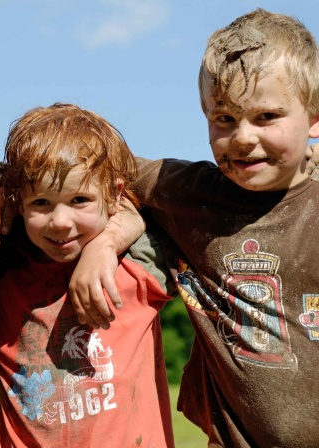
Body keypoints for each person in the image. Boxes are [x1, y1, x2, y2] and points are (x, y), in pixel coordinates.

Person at [76, 8, 319, 448]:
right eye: (224, 118)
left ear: (315, 116)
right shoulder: (191, 194)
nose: (243, 137)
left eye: (267, 116)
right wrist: (105, 240)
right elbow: (81, 162)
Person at [0, 103, 176, 447]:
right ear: (17, 202)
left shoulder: (141, 264)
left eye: (80, 200)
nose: (60, 221)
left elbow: (185, 201)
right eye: (41, 203)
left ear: (115, 195)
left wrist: (105, 245)